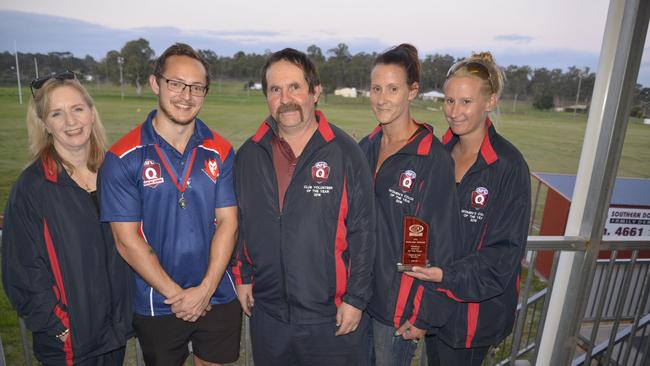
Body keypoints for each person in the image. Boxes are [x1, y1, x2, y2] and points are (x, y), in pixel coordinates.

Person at [99, 43, 241, 366]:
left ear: (205, 92)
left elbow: (228, 223)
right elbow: (126, 241)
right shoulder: (122, 157)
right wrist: (178, 296)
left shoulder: (221, 150)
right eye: (175, 84)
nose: (185, 96)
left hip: (216, 296)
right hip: (157, 301)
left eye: (196, 87)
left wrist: (204, 290)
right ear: (155, 83)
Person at [232, 48, 375, 366]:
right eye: (275, 89)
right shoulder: (249, 155)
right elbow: (239, 223)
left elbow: (364, 233)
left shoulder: (346, 153)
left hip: (331, 317)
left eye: (295, 87)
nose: (286, 98)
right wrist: (241, 276)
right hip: (269, 315)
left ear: (315, 91)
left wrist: (355, 299)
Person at [406, 52, 531, 365]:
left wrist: (445, 276)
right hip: (430, 303)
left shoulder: (508, 166)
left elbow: (502, 255)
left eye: (466, 102)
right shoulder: (437, 154)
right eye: (449, 101)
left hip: (470, 318)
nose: (454, 112)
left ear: (490, 102)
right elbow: (421, 223)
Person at [2, 71, 133, 365]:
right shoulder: (33, 187)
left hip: (114, 334)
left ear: (91, 112)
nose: (71, 122)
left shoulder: (115, 173)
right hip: (69, 342)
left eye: (77, 109)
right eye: (57, 114)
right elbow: (21, 269)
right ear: (45, 124)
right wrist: (55, 323)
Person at [358, 44, 461, 366]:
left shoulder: (432, 157)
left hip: (399, 310)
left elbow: (441, 242)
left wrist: (424, 314)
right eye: (376, 88)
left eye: (392, 89)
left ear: (412, 91)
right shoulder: (366, 146)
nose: (382, 98)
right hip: (357, 298)